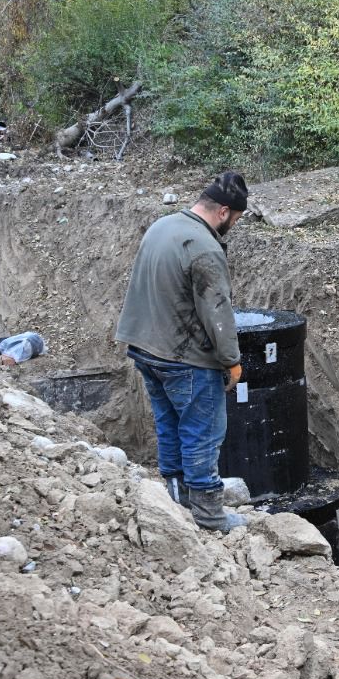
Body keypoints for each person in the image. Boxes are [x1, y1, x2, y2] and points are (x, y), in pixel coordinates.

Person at [114, 172, 251, 532]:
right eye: (235, 220)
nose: (232, 226)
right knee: (203, 431)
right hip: (184, 358)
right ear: (223, 211)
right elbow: (217, 310)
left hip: (146, 349)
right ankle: (208, 515)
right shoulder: (204, 247)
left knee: (169, 424)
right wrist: (231, 361)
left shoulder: (163, 226)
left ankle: (177, 500)